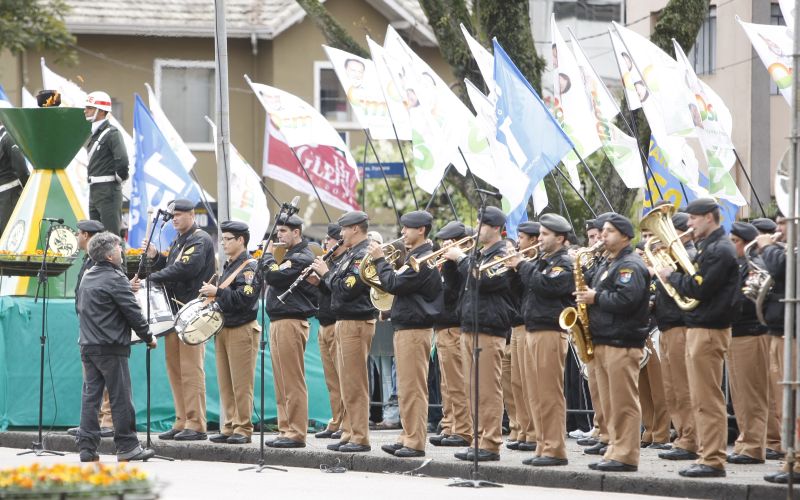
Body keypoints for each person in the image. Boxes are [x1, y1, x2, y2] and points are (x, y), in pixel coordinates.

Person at [656, 198, 738, 478]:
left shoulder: (719, 249)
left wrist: (671, 277)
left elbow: (699, 288)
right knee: (701, 396)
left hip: (709, 329)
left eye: (693, 218)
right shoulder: (711, 247)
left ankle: (713, 458)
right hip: (701, 327)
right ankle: (707, 454)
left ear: (708, 218)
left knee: (707, 398)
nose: (688, 224)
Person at [576, 213, 649, 473]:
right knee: (610, 403)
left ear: (625, 236)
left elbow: (627, 300)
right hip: (605, 340)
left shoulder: (630, 265)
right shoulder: (611, 263)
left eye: (608, 232)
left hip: (622, 340)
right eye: (603, 231)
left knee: (624, 402)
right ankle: (614, 449)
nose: (602, 236)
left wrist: (595, 297)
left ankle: (627, 454)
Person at [76, 231, 156, 462]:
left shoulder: (88, 275)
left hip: (88, 345)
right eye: (119, 248)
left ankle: (87, 448)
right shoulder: (115, 277)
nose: (121, 251)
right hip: (110, 346)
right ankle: (128, 446)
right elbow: (133, 313)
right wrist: (149, 336)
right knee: (120, 396)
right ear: (110, 256)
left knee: (91, 397)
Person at [444, 206, 515, 462]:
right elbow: (457, 287)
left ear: (496, 228)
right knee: (472, 388)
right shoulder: (479, 253)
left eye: (482, 224)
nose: (477, 228)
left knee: (487, 389)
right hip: (470, 325)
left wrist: (461, 259)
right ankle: (478, 439)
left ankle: (491, 442)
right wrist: (452, 264)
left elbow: (485, 281)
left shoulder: (504, 253)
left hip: (489, 327)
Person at [374, 210, 442, 458]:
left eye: (407, 228)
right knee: (405, 386)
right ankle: (407, 435)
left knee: (413, 387)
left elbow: (394, 283)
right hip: (406, 328)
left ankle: (415, 441)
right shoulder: (415, 256)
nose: (402, 232)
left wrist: (381, 261)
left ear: (421, 229)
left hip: (415, 330)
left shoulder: (423, 259)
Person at [146, 199, 215, 441]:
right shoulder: (179, 241)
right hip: (175, 314)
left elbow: (187, 269)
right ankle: (182, 420)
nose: (174, 218)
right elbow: (172, 266)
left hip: (192, 313)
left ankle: (196, 424)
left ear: (192, 215)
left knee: (191, 370)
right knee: (175, 369)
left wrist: (152, 278)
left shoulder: (200, 239)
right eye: (173, 215)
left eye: (179, 214)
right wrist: (156, 258)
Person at [509, 214, 575, 466]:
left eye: (545, 234)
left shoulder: (563, 263)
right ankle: (542, 445)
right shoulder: (541, 261)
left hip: (550, 330)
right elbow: (522, 292)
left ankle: (555, 448)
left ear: (560, 238)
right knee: (535, 393)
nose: (540, 238)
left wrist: (522, 266)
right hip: (534, 329)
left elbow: (547, 286)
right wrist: (515, 271)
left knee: (548, 392)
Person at [311, 210, 377, 453]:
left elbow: (347, 288)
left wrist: (325, 274)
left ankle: (360, 436)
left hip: (356, 321)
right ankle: (349, 431)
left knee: (354, 381)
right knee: (346, 382)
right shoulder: (350, 254)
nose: (341, 235)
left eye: (345, 230)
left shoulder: (363, 255)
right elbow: (337, 285)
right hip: (344, 320)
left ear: (356, 229)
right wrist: (328, 277)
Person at [261, 214, 318, 448]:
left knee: (292, 380)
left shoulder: (302, 256)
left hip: (291, 321)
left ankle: (296, 431)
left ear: (297, 232)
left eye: (283, 231)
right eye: (278, 232)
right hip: (279, 320)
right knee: (282, 380)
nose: (279, 236)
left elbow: (274, 276)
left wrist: (266, 258)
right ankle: (286, 429)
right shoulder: (288, 255)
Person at [202, 221, 261, 445]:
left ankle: (243, 428)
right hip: (224, 327)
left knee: (241, 383)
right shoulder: (229, 265)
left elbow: (245, 299)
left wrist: (217, 292)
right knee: (226, 382)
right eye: (223, 239)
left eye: (228, 239)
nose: (223, 243)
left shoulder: (250, 266)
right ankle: (228, 426)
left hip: (242, 329)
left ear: (241, 240)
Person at [653, 212, 700, 462]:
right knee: (671, 388)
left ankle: (691, 438)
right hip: (667, 326)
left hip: (680, 326)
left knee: (683, 387)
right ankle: (682, 435)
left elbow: (687, 286)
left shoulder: (688, 257)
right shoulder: (671, 257)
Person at [727, 222, 769, 465]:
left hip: (750, 332)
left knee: (751, 394)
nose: (731, 246)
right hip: (737, 332)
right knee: (740, 395)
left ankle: (754, 446)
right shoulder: (740, 265)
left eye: (735, 242)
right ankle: (745, 442)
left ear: (746, 243)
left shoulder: (755, 264)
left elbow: (747, 302)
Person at [67, 220, 114, 439]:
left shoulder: (102, 260)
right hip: (88, 325)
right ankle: (91, 422)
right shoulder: (88, 259)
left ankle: (108, 421)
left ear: (86, 235)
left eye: (79, 234)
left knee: (105, 377)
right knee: (91, 379)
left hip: (100, 327)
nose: (77, 237)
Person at [429, 221, 471, 448]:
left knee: (456, 383)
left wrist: (454, 260)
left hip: (454, 327)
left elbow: (453, 291)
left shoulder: (460, 265)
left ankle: (462, 429)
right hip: (442, 328)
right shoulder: (448, 264)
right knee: (447, 385)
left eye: (449, 243)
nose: (444, 247)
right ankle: (449, 425)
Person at [505, 222, 540, 453]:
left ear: (534, 240)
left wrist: (522, 266)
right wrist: (511, 269)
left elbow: (539, 287)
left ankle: (535, 433)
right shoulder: (522, 265)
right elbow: (513, 294)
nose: (518, 242)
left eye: (522, 238)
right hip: (517, 325)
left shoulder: (537, 263)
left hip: (532, 326)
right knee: (517, 382)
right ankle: (524, 430)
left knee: (531, 383)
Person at [310, 223, 347, 440]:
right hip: (323, 323)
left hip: (336, 323)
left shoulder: (342, 263)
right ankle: (337, 420)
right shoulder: (329, 262)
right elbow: (327, 292)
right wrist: (316, 281)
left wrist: (325, 275)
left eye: (329, 239)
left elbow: (342, 291)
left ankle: (347, 422)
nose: (326, 243)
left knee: (344, 379)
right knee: (331, 380)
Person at [757, 215, 789, 461]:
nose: (778, 229)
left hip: (790, 332)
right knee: (777, 395)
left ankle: (791, 453)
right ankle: (790, 454)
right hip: (777, 328)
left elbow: (783, 269)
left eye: (784, 222)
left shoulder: (784, 253)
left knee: (789, 398)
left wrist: (767, 246)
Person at [84, 91, 128, 238]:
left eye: (90, 107)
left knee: (111, 236)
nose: (86, 110)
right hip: (95, 189)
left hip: (108, 190)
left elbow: (122, 160)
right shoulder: (94, 134)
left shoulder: (112, 133)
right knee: (94, 236)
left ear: (101, 111)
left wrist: (118, 180)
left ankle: (116, 261)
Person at [0, 123, 28, 235]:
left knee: (7, 234)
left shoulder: (8, 138)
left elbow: (20, 167)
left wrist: (28, 189)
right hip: (5, 196)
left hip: (9, 196)